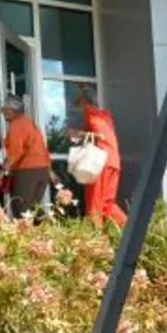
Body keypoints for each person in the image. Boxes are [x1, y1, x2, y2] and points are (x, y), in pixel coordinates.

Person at [66, 87, 127, 228]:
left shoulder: (90, 113)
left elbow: (100, 135)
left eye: (78, 100)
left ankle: (97, 243)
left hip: (100, 163)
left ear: (83, 101)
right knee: (108, 204)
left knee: (95, 203)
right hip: (113, 161)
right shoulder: (105, 115)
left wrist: (76, 133)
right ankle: (132, 231)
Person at [0, 95, 52, 219]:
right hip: (42, 171)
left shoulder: (17, 125)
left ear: (12, 110)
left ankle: (39, 232)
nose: (2, 111)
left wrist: (0, 173)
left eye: (4, 109)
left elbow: (15, 151)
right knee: (33, 208)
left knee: (21, 209)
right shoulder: (31, 124)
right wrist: (51, 172)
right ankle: (50, 231)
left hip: (27, 171)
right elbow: (43, 150)